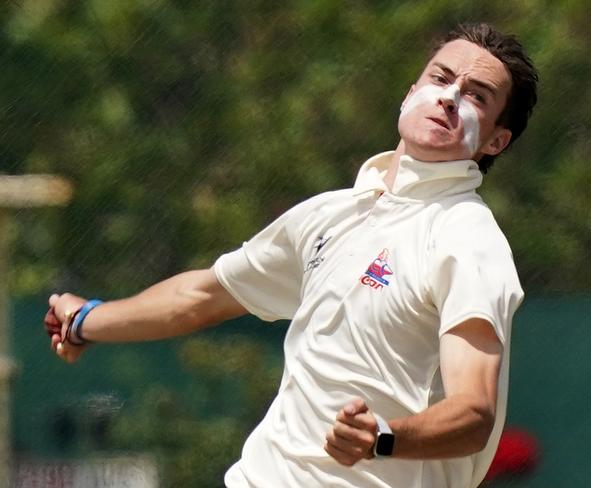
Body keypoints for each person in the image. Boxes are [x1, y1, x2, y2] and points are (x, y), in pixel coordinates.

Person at [47, 22, 538, 488]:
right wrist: (86, 319)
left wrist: (384, 438)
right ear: (410, 92)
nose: (450, 97)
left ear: (496, 140)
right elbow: (203, 295)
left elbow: (474, 413)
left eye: (476, 95)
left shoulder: (467, 237)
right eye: (440, 77)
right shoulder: (332, 214)